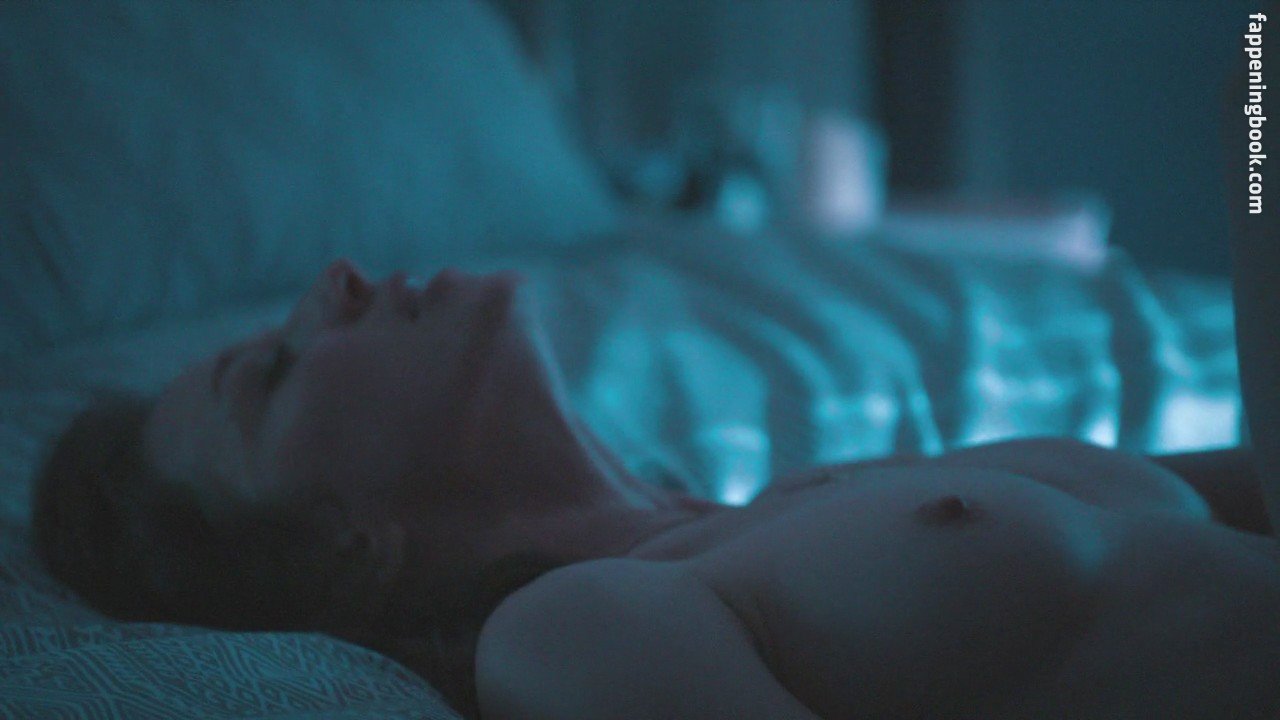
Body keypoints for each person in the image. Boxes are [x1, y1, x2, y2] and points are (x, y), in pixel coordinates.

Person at [32, 253, 1280, 719]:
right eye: (272, 373)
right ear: (338, 547)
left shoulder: (804, 499)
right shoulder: (576, 628)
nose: (336, 280)